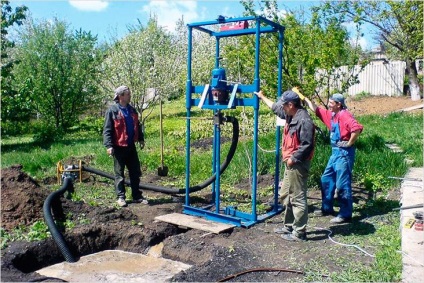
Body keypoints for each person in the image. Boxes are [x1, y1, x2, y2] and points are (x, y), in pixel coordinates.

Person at [256, 90, 315, 241]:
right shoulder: (290, 114)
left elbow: (307, 144)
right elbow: (275, 107)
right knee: (286, 194)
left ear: (291, 104)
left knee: (297, 197)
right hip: (291, 163)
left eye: (284, 104)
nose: (281, 107)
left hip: (298, 164)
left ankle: (299, 232)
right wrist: (262, 97)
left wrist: (293, 158)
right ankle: (288, 225)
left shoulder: (304, 120)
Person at [304, 93, 363, 223]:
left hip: (344, 154)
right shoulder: (332, 115)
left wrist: (349, 143)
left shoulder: (344, 115)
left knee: (342, 184)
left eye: (331, 103)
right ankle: (327, 208)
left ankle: (345, 214)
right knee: (326, 178)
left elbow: (356, 129)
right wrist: (306, 99)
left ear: (338, 104)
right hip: (335, 153)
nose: (329, 105)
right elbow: (317, 110)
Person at [103, 85, 148, 207]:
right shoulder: (112, 111)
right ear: (121, 96)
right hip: (118, 147)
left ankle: (136, 196)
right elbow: (107, 130)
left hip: (130, 146)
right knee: (119, 174)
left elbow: (137, 125)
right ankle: (121, 197)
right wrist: (108, 145)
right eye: (128, 94)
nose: (130, 96)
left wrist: (141, 138)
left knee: (135, 172)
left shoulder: (132, 110)